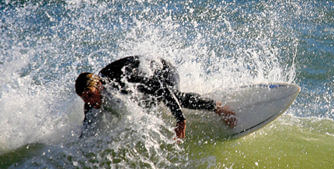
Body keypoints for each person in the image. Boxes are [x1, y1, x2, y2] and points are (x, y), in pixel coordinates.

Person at [75, 55, 236, 139]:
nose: (89, 101)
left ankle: (218, 107)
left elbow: (162, 89)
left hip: (162, 69)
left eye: (90, 95)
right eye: (84, 98)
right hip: (146, 75)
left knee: (173, 97)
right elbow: (87, 129)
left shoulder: (122, 80)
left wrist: (180, 120)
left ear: (99, 86)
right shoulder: (91, 99)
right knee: (149, 103)